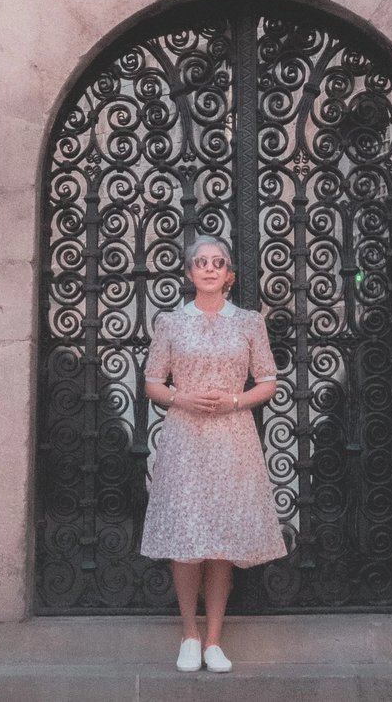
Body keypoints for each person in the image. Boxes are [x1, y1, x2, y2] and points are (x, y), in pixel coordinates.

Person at [141, 234, 285, 673]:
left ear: (229, 275)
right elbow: (152, 381)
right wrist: (180, 399)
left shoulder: (248, 323)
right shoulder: (170, 323)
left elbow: (268, 379)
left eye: (217, 262)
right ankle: (189, 633)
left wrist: (235, 402)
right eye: (200, 262)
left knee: (221, 539)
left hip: (231, 436)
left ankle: (215, 641)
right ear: (189, 273)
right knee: (186, 538)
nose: (208, 268)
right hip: (185, 437)